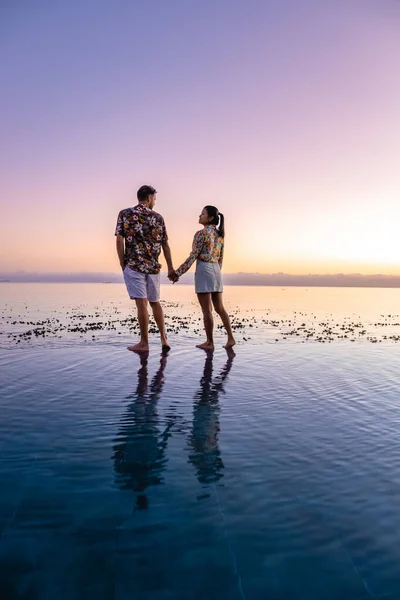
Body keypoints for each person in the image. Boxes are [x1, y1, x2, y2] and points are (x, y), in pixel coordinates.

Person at [115, 185, 175, 352]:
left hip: (134, 265)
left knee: (141, 303)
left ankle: (144, 343)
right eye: (154, 199)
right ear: (148, 198)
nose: (154, 202)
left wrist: (122, 263)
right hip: (153, 267)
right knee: (155, 302)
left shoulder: (125, 214)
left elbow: (119, 240)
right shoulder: (159, 218)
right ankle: (164, 339)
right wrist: (170, 268)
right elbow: (165, 245)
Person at [169, 206, 236, 350]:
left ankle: (210, 342)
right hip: (216, 270)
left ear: (210, 218)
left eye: (203, 213)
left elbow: (193, 256)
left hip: (204, 269)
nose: (199, 215)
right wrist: (216, 274)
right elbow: (221, 258)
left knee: (207, 310)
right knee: (220, 308)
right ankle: (230, 338)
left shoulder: (201, 233)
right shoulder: (220, 235)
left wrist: (178, 273)